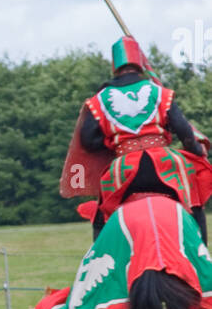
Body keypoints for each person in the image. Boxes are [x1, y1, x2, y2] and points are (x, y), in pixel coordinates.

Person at [67, 37, 211, 241]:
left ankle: (98, 264)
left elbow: (88, 141)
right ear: (140, 64)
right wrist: (197, 150)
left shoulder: (98, 100)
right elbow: (184, 132)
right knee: (194, 200)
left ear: (114, 67)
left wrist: (112, 142)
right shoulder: (159, 92)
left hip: (124, 170)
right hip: (165, 164)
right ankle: (201, 252)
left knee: (102, 216)